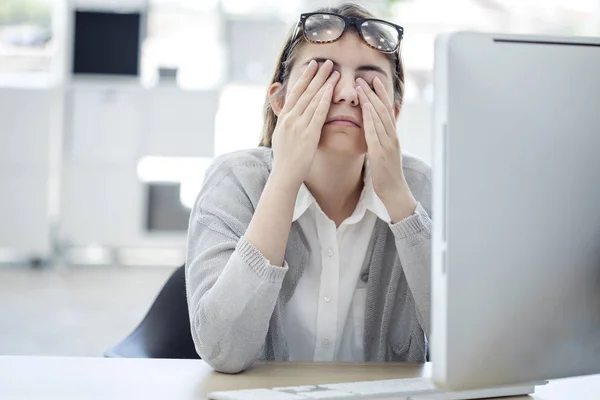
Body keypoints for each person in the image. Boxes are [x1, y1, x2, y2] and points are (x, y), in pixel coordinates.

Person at [185, 2, 432, 374]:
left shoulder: (421, 188)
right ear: (280, 100)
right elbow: (223, 351)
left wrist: (398, 198)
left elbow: (468, 348)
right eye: (323, 74)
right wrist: (284, 178)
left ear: (394, 111)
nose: (347, 93)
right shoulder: (234, 181)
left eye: (368, 81)